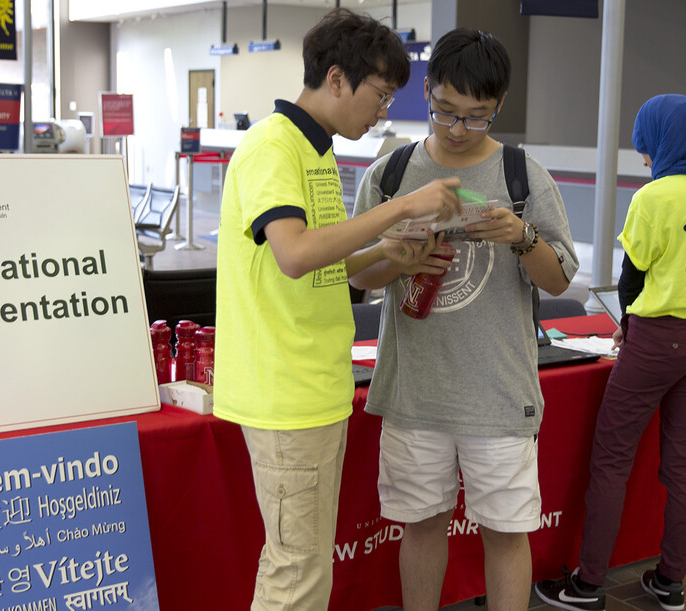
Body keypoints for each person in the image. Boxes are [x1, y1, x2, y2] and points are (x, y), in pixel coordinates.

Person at [212, 8, 464, 610]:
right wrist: (400, 211)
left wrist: (392, 257)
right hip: (285, 391)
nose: (383, 112)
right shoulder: (273, 147)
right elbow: (295, 254)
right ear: (335, 78)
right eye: (379, 96)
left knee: (304, 566)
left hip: (314, 386)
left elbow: (325, 265)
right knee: (295, 571)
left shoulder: (316, 151)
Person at [348, 29, 578, 611]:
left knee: (505, 533)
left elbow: (557, 280)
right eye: (445, 111)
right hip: (414, 393)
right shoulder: (391, 175)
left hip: (498, 397)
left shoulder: (525, 177)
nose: (456, 129)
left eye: (475, 117)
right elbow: (357, 278)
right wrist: (398, 256)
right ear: (426, 90)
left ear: (498, 107)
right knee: (421, 526)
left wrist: (521, 236)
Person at [534, 94, 686, 611]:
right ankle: (670, 581)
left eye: (645, 144)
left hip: (657, 341)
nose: (644, 155)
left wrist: (629, 325)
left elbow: (632, 278)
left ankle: (587, 585)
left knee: (611, 461)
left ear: (657, 137)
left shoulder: (655, 196)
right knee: (683, 463)